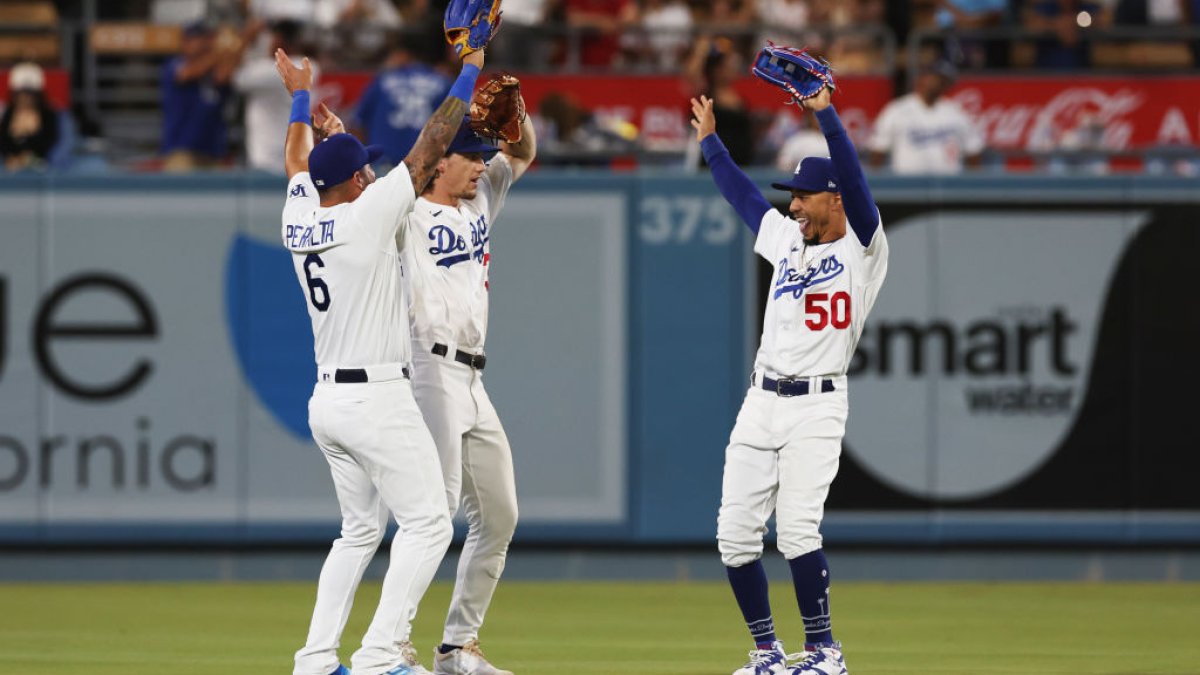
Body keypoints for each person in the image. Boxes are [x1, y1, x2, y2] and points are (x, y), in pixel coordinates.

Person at [275, 36, 486, 675]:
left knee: (359, 532)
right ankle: (376, 658)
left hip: (327, 402)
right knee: (428, 526)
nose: (372, 171)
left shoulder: (301, 214)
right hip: (376, 398)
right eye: (364, 168)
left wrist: (301, 99)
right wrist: (469, 70)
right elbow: (429, 147)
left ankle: (314, 659)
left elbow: (295, 161)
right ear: (355, 181)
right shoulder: (366, 216)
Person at [690, 80, 888, 675]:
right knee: (734, 536)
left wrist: (826, 115)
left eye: (803, 195)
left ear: (833, 198)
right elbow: (744, 198)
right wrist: (711, 146)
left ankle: (826, 652)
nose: (794, 204)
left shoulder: (863, 248)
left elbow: (854, 178)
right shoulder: (786, 241)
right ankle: (768, 653)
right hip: (761, 400)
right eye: (793, 195)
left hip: (817, 405)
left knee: (799, 531)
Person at [399, 107, 536, 675]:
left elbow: (523, 152)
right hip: (428, 370)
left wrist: (520, 115)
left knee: (500, 514)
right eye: (471, 156)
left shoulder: (479, 201)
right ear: (437, 163)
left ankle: (457, 647)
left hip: (473, 378)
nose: (482, 165)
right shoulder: (403, 214)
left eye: (483, 155)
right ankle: (393, 646)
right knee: (431, 516)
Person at [867, 59, 984, 174]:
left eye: (943, 80)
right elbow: (878, 150)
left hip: (950, 186)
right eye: (935, 77)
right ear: (921, 79)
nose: (937, 83)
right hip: (907, 186)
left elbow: (973, 151)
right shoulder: (896, 110)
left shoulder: (956, 112)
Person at [353, 32, 452, 166]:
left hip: (382, 163)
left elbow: (358, 124)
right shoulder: (443, 82)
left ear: (403, 53)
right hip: (422, 166)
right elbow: (452, 128)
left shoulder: (383, 80)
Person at [233, 19, 317, 172]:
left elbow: (231, 76)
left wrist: (245, 39)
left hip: (268, 161)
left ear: (278, 40)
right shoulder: (310, 66)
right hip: (296, 159)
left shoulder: (273, 70)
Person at [160, 20, 237, 170]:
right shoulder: (175, 64)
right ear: (185, 43)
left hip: (214, 151)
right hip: (182, 151)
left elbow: (225, 76)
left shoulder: (215, 70)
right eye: (198, 39)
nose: (203, 43)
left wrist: (238, 43)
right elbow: (187, 74)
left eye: (206, 38)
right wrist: (222, 50)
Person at [1, 62, 60, 171]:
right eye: (21, 93)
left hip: (40, 168)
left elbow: (52, 141)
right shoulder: (7, 113)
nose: (26, 98)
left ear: (38, 95)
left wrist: (28, 158)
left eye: (30, 94)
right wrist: (11, 157)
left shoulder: (49, 115)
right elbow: (3, 141)